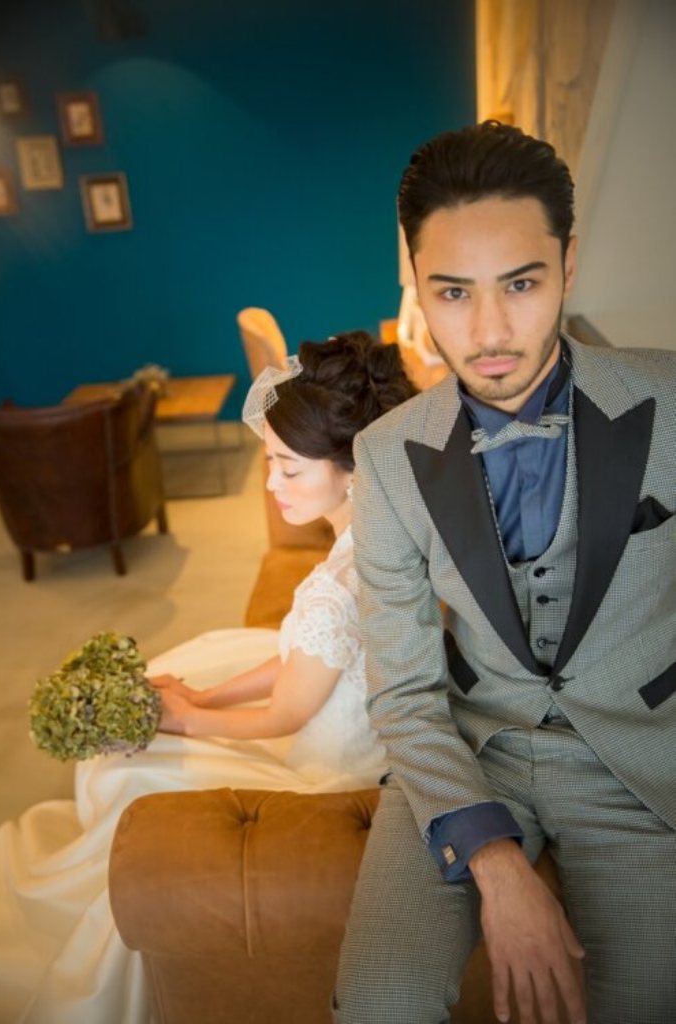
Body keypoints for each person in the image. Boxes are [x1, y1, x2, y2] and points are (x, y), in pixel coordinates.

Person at [334, 122, 676, 1024]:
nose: (487, 333)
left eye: (520, 284)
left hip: (638, 765)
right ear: (417, 287)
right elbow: (401, 689)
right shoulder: (384, 456)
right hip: (467, 754)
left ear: (568, 264)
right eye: (452, 293)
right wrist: (493, 861)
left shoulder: (672, 400)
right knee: (378, 1004)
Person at [0, 330, 417, 1024]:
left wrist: (184, 717)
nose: (271, 485)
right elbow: (308, 661)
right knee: (184, 672)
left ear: (350, 468)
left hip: (331, 771)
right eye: (269, 464)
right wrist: (205, 695)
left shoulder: (336, 587)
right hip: (347, 725)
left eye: (289, 469)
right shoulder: (375, 535)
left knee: (127, 772)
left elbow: (285, 713)